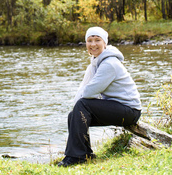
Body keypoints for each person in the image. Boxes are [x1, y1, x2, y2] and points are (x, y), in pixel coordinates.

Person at [58, 26, 142, 167]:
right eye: (89, 40)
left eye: (97, 40)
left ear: (105, 43)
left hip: (130, 110)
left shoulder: (109, 64)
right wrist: (76, 111)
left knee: (83, 104)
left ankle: (75, 157)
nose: (93, 44)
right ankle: (85, 154)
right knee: (73, 115)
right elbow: (86, 90)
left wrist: (80, 106)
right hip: (118, 107)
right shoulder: (96, 62)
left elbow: (90, 92)